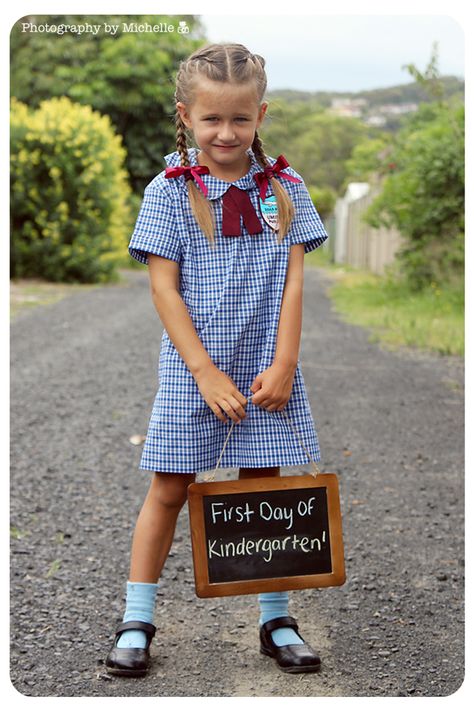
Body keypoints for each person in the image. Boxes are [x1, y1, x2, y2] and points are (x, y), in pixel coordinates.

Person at [105, 42, 329, 678]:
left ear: (261, 114)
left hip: (265, 369)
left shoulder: (286, 188)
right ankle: (137, 617)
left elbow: (293, 279)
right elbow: (162, 287)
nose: (225, 133)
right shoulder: (170, 190)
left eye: (240, 118)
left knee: (264, 488)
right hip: (192, 370)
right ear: (186, 115)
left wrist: (286, 360)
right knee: (171, 486)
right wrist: (203, 370)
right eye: (212, 119)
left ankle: (275, 617)